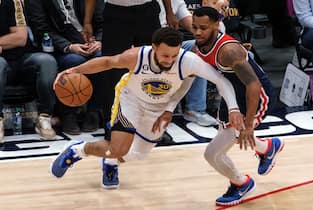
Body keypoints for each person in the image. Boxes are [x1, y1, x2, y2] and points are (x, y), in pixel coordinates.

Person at [49, 27, 245, 190]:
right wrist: (74, 70)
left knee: (137, 155)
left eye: (174, 55)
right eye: (165, 55)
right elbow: (108, 62)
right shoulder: (136, 56)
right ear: (153, 47)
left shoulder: (188, 61)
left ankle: (110, 161)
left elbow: (220, 80)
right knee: (118, 148)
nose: (169, 60)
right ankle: (77, 150)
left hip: (158, 110)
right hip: (131, 101)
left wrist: (234, 108)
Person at [191, 7, 284, 205]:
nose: (198, 32)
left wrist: (249, 124)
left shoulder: (228, 51)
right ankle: (268, 147)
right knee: (228, 139)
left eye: (203, 28)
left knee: (213, 153)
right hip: (231, 96)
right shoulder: (197, 46)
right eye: (194, 27)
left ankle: (241, 183)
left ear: (216, 25)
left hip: (255, 95)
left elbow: (253, 84)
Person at [82, 0, 179, 140]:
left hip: (147, 11)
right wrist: (87, 21)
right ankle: (114, 124)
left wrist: (169, 12)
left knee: (154, 69)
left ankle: (153, 125)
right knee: (112, 73)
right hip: (116, 12)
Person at [25, 0, 105, 135]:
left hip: (91, 43)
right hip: (60, 48)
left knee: (100, 59)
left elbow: (104, 22)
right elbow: (41, 29)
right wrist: (68, 46)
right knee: (75, 60)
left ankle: (94, 112)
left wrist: (99, 40)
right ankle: (68, 114)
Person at [0, 0, 58, 141]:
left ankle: (44, 117)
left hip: (22, 59)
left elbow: (20, 37)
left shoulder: (13, 2)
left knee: (47, 61)